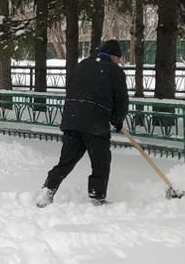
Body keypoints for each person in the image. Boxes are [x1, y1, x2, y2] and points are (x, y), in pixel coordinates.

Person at [36, 38, 129, 207]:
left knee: (67, 160)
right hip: (95, 123)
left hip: (72, 119)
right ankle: (97, 196)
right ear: (114, 56)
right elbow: (121, 100)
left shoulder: (83, 65)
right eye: (118, 58)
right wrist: (117, 120)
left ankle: (48, 190)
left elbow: (72, 86)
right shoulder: (114, 71)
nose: (119, 61)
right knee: (101, 161)